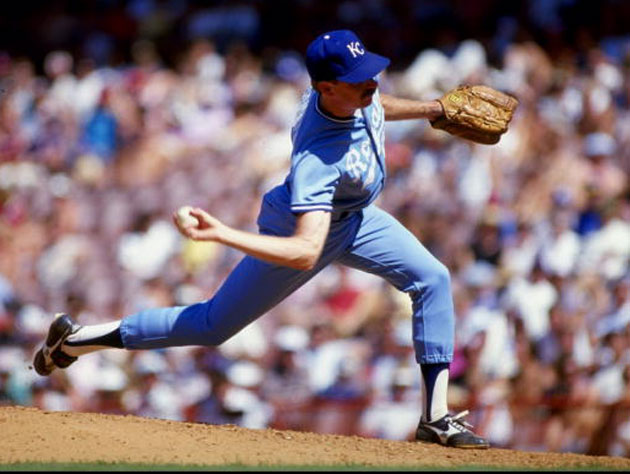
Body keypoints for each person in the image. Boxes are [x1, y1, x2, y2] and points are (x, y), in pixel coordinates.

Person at [33, 30, 489, 449]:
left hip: (356, 218)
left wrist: (433, 109)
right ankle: (75, 341)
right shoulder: (318, 157)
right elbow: (305, 251)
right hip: (304, 228)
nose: (371, 82)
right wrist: (223, 234)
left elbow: (376, 105)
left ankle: (435, 417)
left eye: (370, 72)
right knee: (212, 326)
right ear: (326, 88)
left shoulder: (350, 96)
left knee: (432, 277)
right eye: (358, 79)